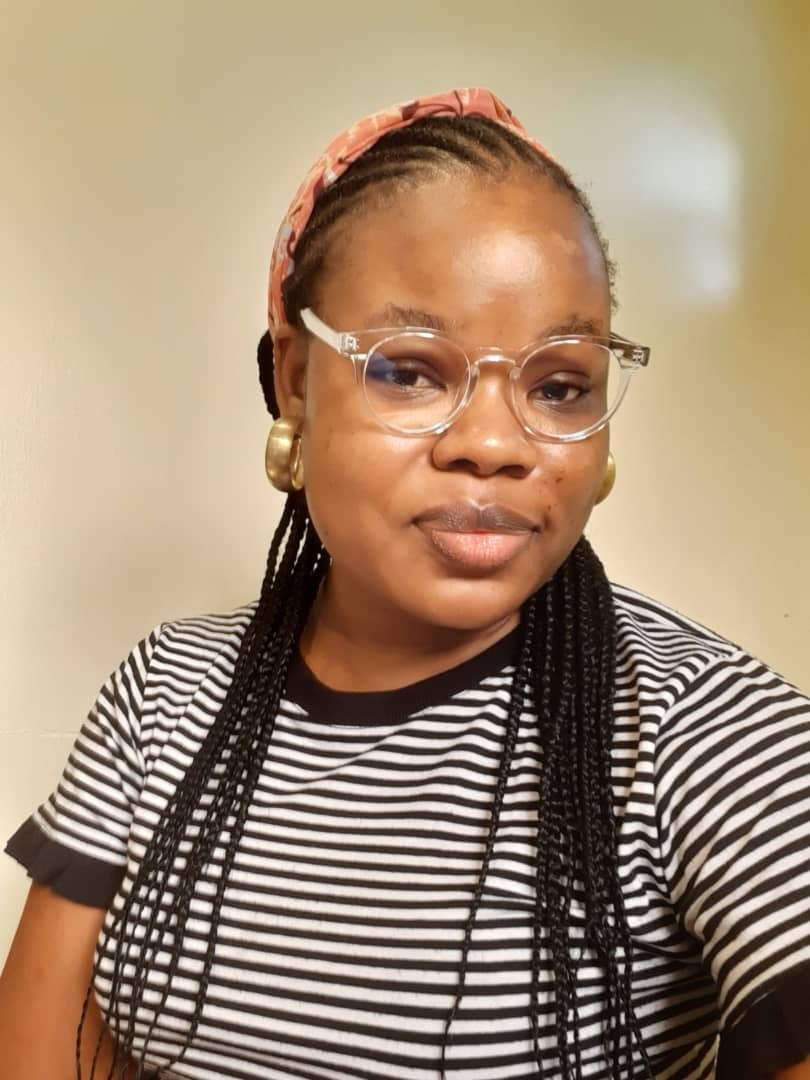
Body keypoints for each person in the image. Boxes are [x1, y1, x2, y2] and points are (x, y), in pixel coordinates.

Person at [0, 87, 807, 1080]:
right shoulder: (166, 691)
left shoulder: (702, 729)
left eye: (560, 385)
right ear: (295, 379)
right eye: (412, 370)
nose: (495, 444)